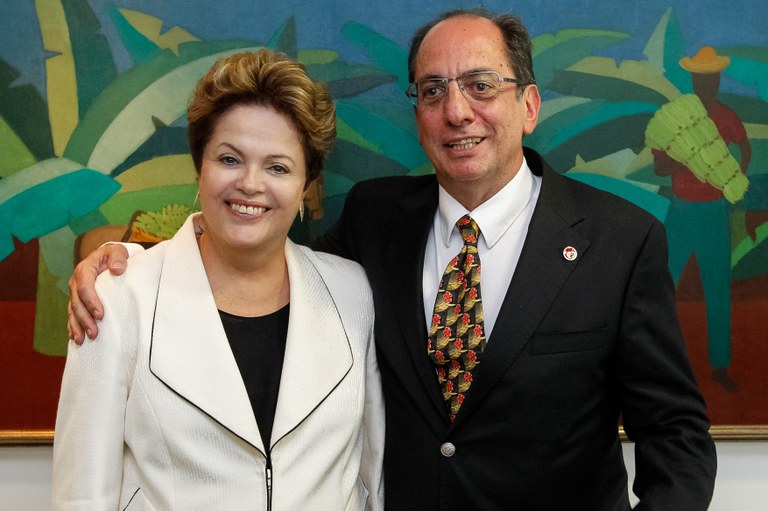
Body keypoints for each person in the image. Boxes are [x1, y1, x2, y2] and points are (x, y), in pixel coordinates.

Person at [67, 9, 716, 510]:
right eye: (433, 90)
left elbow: (676, 432)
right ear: (417, 114)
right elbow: (257, 260)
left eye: (480, 85)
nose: (457, 110)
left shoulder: (619, 239)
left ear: (529, 104)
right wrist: (128, 256)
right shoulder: (376, 223)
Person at [53, 49, 385, 510]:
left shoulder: (353, 293)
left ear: (308, 183)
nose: (250, 184)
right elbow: (81, 494)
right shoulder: (117, 298)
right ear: (200, 165)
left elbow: (371, 474)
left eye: (278, 167)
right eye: (230, 159)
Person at [652, 46, 751, 392]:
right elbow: (659, 165)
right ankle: (656, 363)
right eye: (700, 78)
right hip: (681, 212)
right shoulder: (675, 119)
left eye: (711, 78)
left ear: (717, 80)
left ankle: (720, 366)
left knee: (717, 289)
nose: (706, 84)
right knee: (663, 286)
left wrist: (733, 177)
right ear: (693, 80)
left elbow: (745, 147)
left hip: (712, 212)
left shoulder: (726, 117)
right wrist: (688, 155)